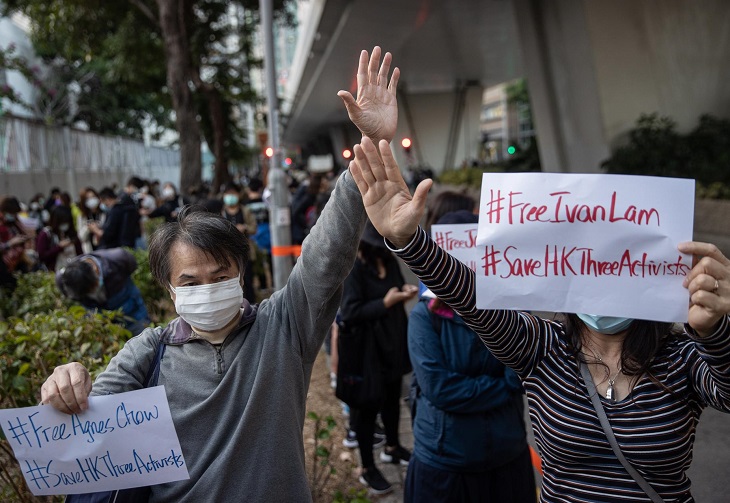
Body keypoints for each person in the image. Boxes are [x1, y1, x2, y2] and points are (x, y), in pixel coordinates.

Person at [39, 46, 398, 502]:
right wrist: (65, 383)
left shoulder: (284, 327)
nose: (206, 289)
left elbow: (326, 254)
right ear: (169, 289)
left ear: (241, 274)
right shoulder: (147, 354)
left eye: (219, 274)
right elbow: (82, 420)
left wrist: (369, 146)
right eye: (190, 282)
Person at [348, 135, 730, 502]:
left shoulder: (684, 356)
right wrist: (411, 242)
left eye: (616, 260)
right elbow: (473, 298)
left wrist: (716, 330)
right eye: (583, 260)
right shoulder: (544, 347)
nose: (599, 272)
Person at [405, 209, 536, 502]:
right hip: (446, 460)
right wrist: (502, 387)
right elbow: (439, 388)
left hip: (507, 455)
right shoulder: (425, 317)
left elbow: (522, 372)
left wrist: (502, 384)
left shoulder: (511, 312)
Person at [337, 221, 418, 494]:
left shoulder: (389, 261)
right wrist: (386, 302)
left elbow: (396, 289)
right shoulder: (355, 270)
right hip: (366, 352)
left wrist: (405, 294)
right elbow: (349, 312)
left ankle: (393, 447)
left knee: (393, 399)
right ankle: (368, 467)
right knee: (367, 408)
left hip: (393, 343)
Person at [56, 247, 150, 335]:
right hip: (100, 318)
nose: (92, 293)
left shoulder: (117, 259)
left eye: (92, 289)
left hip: (130, 310)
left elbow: (132, 265)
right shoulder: (64, 280)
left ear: (94, 270)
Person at [221, 183, 258, 303]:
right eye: (228, 194)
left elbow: (254, 228)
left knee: (247, 280)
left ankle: (251, 305)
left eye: (233, 194)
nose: (230, 197)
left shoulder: (245, 211)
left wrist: (245, 228)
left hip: (245, 251)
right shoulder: (222, 214)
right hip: (228, 254)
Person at [36, 205, 83, 271]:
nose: (65, 224)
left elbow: (80, 254)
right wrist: (59, 247)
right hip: (54, 271)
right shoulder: (46, 234)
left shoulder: (72, 234)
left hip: (75, 271)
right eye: (62, 222)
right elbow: (42, 256)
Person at [77, 187, 104, 253]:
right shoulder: (82, 217)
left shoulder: (103, 213)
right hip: (90, 250)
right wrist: (88, 228)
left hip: (104, 248)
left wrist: (98, 227)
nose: (91, 200)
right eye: (88, 198)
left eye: (93, 197)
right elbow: (81, 237)